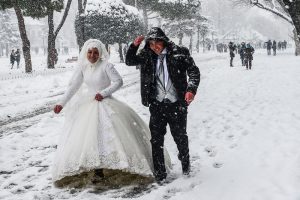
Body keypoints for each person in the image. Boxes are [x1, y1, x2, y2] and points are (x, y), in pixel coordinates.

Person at [52, 39, 170, 187]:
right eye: (90, 52)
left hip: (106, 103)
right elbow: (73, 87)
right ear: (86, 53)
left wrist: (104, 93)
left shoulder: (106, 66)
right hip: (89, 106)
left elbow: (118, 81)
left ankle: (113, 164)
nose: (92, 55)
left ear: (100, 53)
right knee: (91, 137)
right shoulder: (83, 68)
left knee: (109, 136)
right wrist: (61, 104)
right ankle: (96, 168)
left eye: (95, 52)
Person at [125, 27, 200, 182]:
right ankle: (160, 174)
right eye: (151, 44)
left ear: (163, 40)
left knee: (180, 137)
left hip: (177, 104)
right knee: (156, 140)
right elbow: (129, 61)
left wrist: (191, 90)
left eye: (157, 43)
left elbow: (194, 72)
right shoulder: (146, 55)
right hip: (157, 105)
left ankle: (185, 164)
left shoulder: (180, 52)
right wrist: (134, 46)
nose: (154, 47)